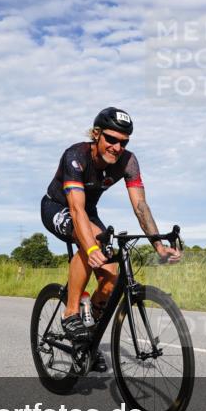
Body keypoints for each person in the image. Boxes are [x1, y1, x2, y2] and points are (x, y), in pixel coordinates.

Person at [41, 107, 181, 372]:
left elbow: (141, 206)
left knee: (110, 276)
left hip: (88, 213)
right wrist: (92, 246)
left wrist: (158, 245)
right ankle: (71, 313)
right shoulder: (76, 156)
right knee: (90, 242)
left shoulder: (128, 162)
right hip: (58, 207)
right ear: (96, 134)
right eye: (111, 139)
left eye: (123, 142)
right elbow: (76, 210)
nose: (117, 147)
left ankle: (88, 337)